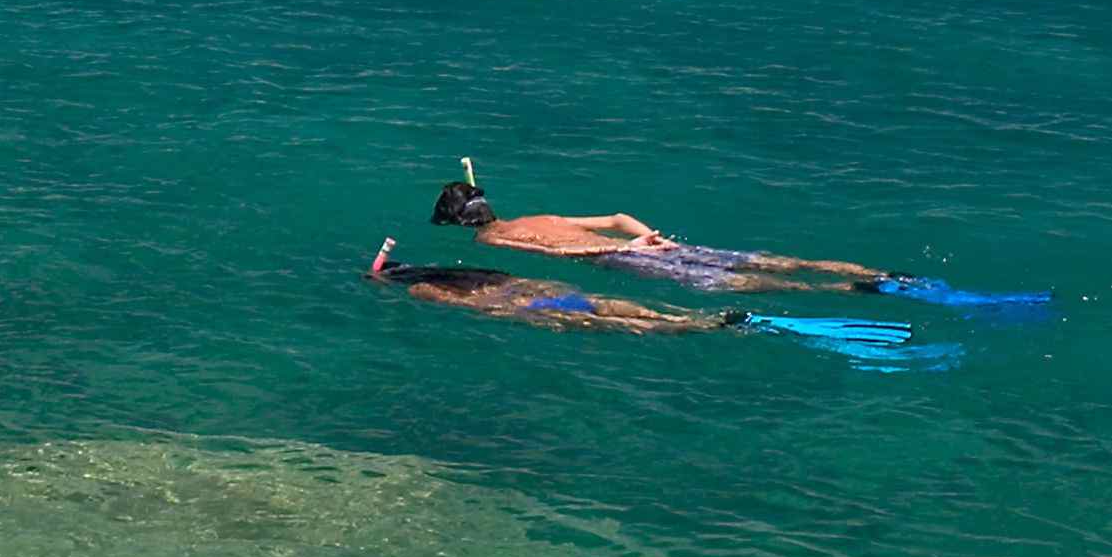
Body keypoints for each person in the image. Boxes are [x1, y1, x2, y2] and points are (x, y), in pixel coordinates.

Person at [428, 176, 1047, 309]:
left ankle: (867, 290)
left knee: (754, 283)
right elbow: (618, 213)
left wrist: (633, 255)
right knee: (774, 261)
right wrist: (651, 238)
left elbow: (566, 255)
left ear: (459, 223)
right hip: (656, 244)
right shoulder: (543, 207)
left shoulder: (495, 243)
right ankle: (882, 273)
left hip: (635, 262)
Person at [366, 239, 916, 353]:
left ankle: (699, 324)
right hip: (553, 292)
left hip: (531, 311)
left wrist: (388, 285)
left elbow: (457, 305)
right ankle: (691, 316)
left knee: (629, 326)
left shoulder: (425, 290)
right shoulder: (484, 268)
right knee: (619, 311)